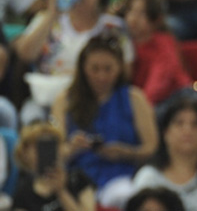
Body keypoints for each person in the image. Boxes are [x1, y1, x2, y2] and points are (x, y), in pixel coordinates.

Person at [13, 0, 133, 121]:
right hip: (47, 97)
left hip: (96, 98)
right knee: (31, 117)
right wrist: (51, 15)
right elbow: (25, 54)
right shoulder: (46, 19)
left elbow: (127, 70)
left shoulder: (113, 27)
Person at [52, 33, 158, 209]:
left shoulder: (134, 98)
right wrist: (72, 148)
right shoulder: (64, 100)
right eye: (95, 69)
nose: (101, 76)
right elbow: (55, 153)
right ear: (83, 67)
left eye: (108, 69)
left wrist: (125, 153)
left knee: (126, 197)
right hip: (77, 179)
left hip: (120, 177)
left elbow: (151, 147)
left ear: (119, 68)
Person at [130, 95, 197, 211]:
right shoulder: (148, 178)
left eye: (195, 124)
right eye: (179, 123)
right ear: (165, 132)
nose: (187, 130)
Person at [123, 0, 192, 106]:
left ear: (156, 20)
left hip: (177, 97)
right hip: (148, 100)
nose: (133, 19)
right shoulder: (126, 44)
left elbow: (161, 78)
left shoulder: (163, 42)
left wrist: (142, 106)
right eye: (131, 11)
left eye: (142, 14)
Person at [12, 120, 97, 211]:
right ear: (25, 154)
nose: (45, 152)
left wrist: (61, 191)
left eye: (50, 146)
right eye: (39, 147)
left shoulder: (78, 179)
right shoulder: (23, 194)